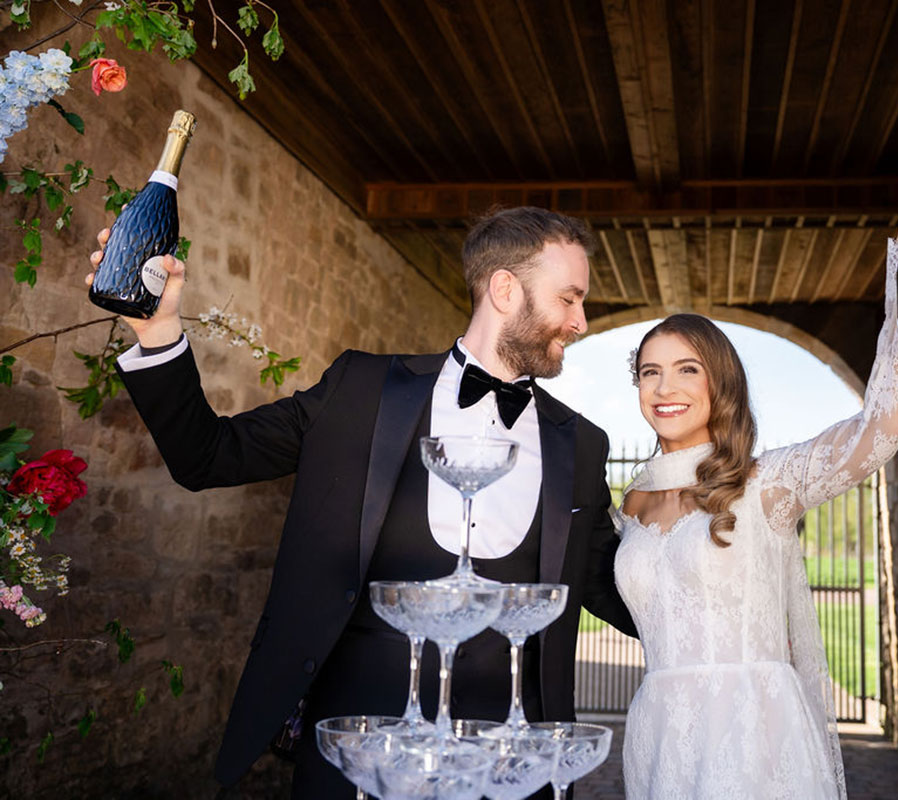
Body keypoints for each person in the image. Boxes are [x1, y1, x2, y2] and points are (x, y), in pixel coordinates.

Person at [87, 206, 637, 797]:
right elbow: (208, 456)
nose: (580, 321)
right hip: (360, 749)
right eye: (570, 298)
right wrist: (158, 329)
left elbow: (609, 583)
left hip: (509, 762)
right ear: (505, 289)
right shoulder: (361, 392)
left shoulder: (580, 443)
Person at [613, 191, 898, 799]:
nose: (664, 387)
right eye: (650, 371)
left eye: (686, 369)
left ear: (720, 382)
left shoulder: (769, 481)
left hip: (755, 736)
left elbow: (884, 425)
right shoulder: (631, 503)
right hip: (658, 736)